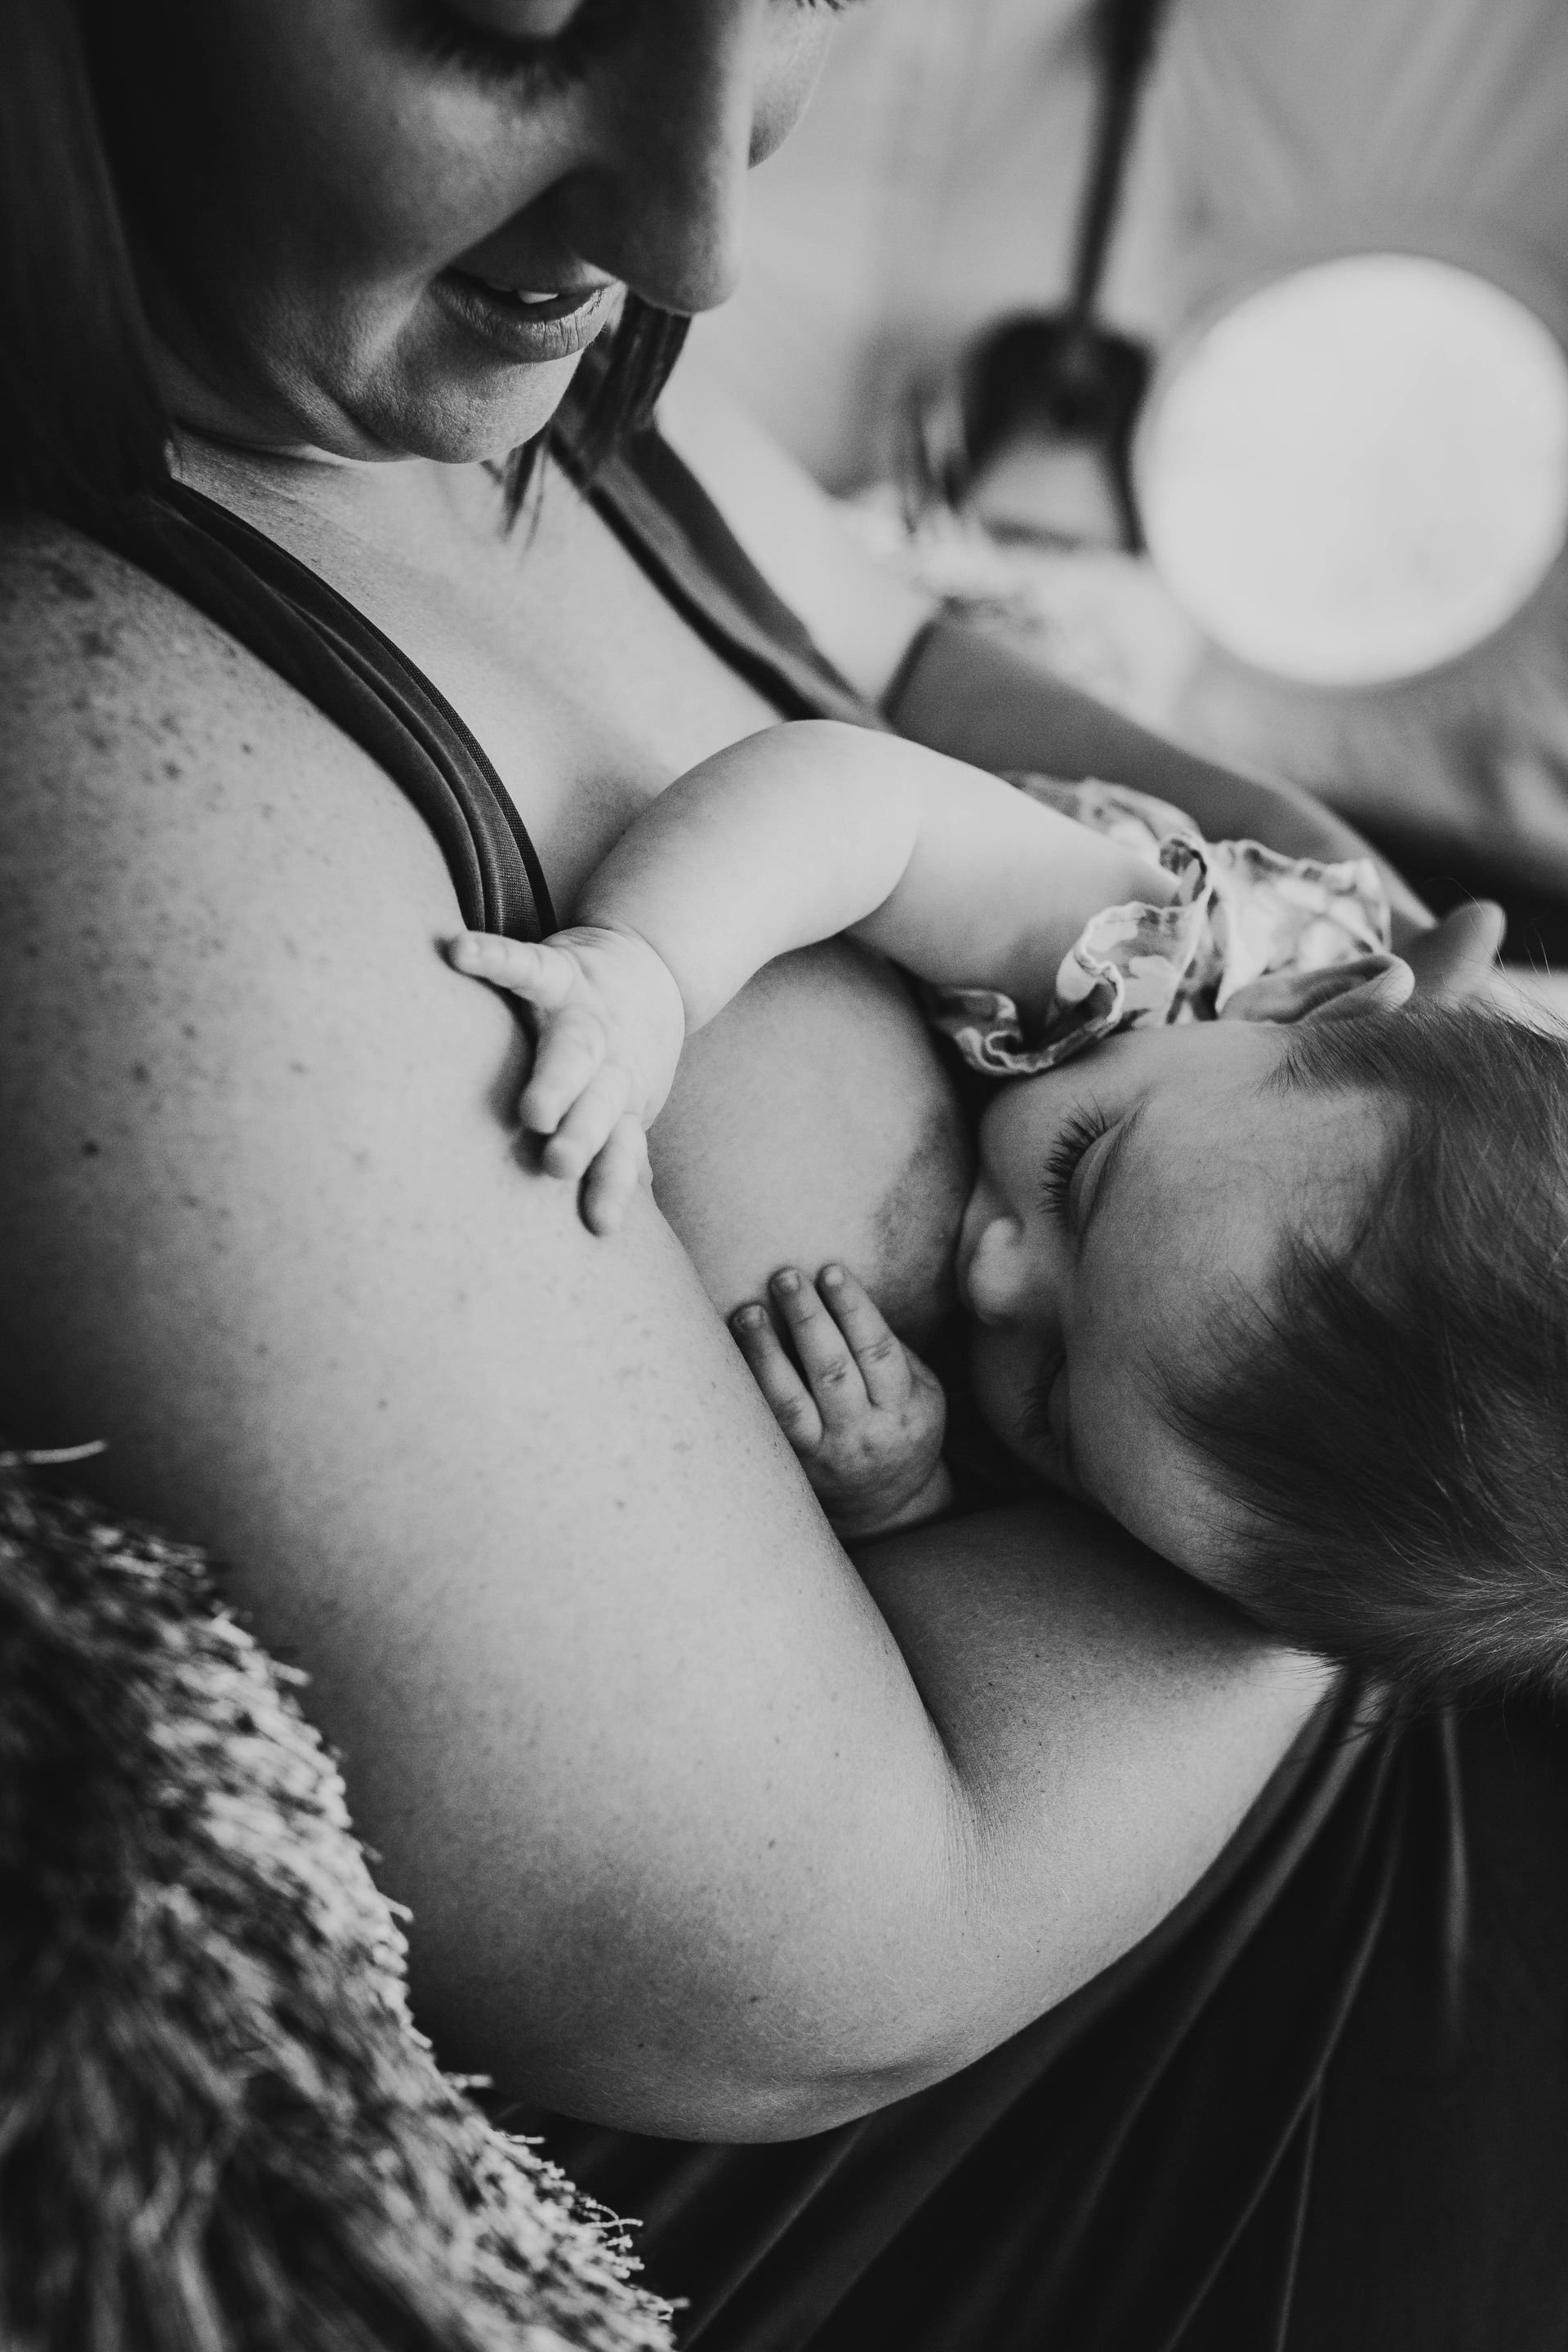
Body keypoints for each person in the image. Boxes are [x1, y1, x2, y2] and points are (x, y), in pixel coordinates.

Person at [2, 5, 1565, 2348]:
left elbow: (914, 645)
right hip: (1110, 2156)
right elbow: (820, 1967)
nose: (709, 236)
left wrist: (1320, 966)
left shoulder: (557, 361)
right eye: (524, 10)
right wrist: (1331, 1528)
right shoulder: (104, 772)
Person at [455, 719, 1568, 1703]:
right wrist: (652, 970)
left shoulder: (1181, 1445)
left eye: (1052, 1398)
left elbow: (971, 1549)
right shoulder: (1129, 950)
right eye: (1080, 1176)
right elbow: (854, 803)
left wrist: (899, 1495)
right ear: (1298, 1010)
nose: (993, 1281)